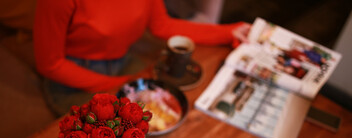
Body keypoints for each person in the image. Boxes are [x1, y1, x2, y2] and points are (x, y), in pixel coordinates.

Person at [33, 0, 250, 116]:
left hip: (122, 62)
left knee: (172, 105)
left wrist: (227, 32)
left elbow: (162, 25)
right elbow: (50, 64)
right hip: (73, 77)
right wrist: (119, 86)